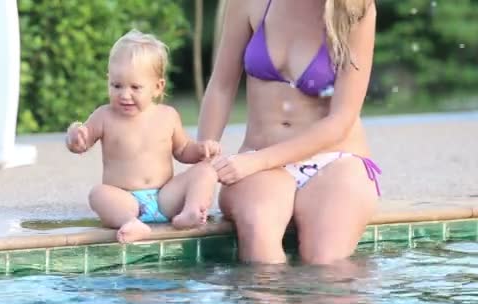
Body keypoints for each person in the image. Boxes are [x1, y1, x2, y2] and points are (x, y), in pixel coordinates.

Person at [198, 0, 381, 264]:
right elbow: (221, 87)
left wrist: (256, 161)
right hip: (261, 160)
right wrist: (205, 165)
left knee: (325, 264)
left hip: (335, 160)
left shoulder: (355, 7)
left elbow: (341, 121)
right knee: (261, 250)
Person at [66, 29, 221, 244]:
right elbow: (80, 144)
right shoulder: (104, 116)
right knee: (98, 194)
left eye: (135, 87)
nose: (124, 94)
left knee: (206, 171)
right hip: (126, 199)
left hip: (167, 197)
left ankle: (191, 212)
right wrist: (75, 134)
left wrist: (201, 149)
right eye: (116, 85)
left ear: (158, 87)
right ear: (108, 81)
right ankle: (131, 222)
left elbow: (183, 150)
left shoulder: (168, 116)